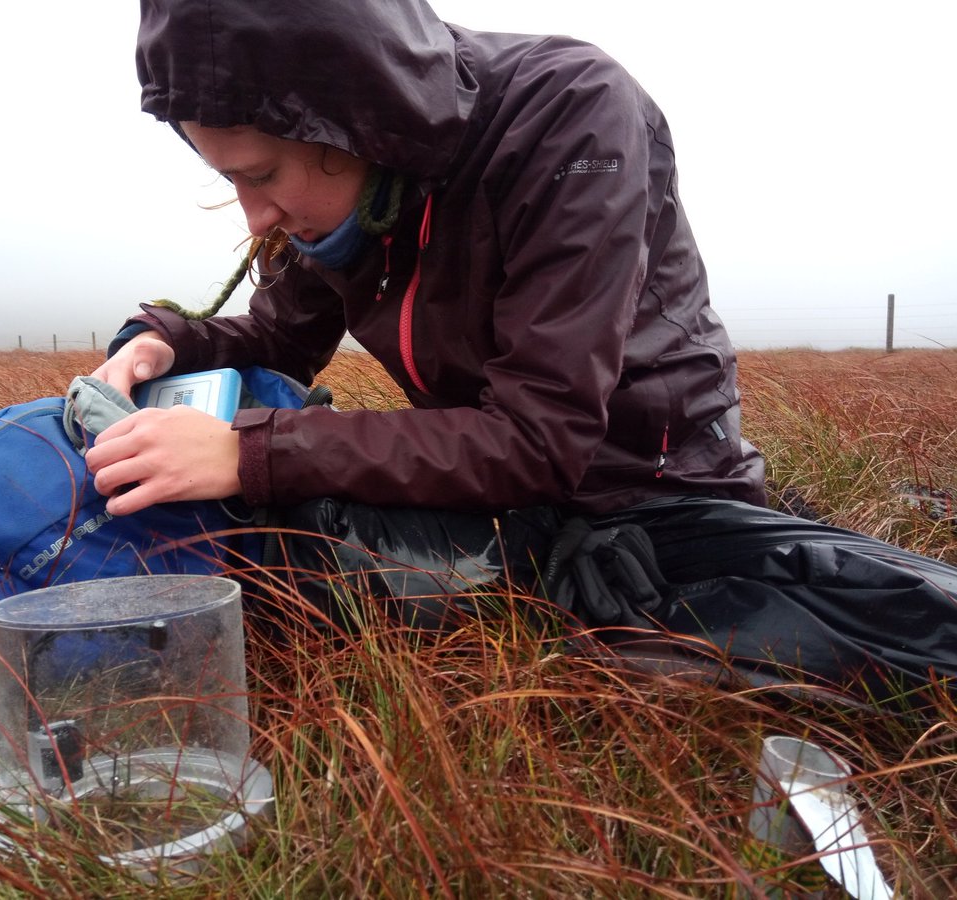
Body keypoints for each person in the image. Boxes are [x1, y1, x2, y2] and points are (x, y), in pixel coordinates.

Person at [84, 0, 957, 707]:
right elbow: (281, 337)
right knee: (271, 553)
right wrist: (162, 338)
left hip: (644, 489)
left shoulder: (570, 114)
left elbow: (539, 439)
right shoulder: (355, 196)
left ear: (353, 125)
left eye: (263, 175)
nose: (254, 218)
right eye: (227, 179)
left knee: (891, 627)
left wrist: (249, 451)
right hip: (491, 491)